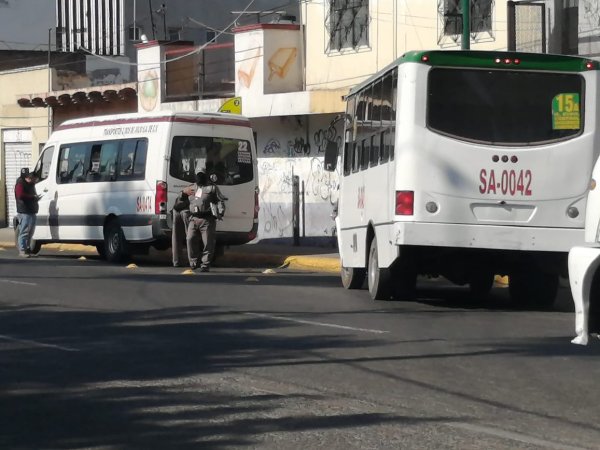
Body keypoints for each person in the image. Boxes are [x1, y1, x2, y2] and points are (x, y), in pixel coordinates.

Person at [186, 169, 226, 272]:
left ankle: (205, 264)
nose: (199, 177)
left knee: (208, 243)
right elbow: (183, 200)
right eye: (198, 175)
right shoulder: (191, 187)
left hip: (207, 219)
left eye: (202, 175)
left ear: (205, 176)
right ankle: (193, 262)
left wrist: (220, 213)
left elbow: (220, 200)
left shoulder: (212, 187)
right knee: (190, 239)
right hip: (193, 218)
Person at [14, 168, 40, 257]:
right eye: (29, 178)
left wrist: (35, 197)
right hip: (24, 211)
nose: (31, 180)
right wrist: (32, 197)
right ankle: (22, 250)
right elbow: (20, 195)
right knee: (24, 231)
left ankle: (27, 248)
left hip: (31, 210)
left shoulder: (31, 184)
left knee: (31, 232)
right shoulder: (20, 183)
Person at [171, 184, 195, 267]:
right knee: (190, 236)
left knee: (176, 237)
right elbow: (197, 200)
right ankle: (193, 261)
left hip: (176, 209)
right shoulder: (200, 187)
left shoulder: (189, 186)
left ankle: (177, 261)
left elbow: (181, 195)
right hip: (186, 211)